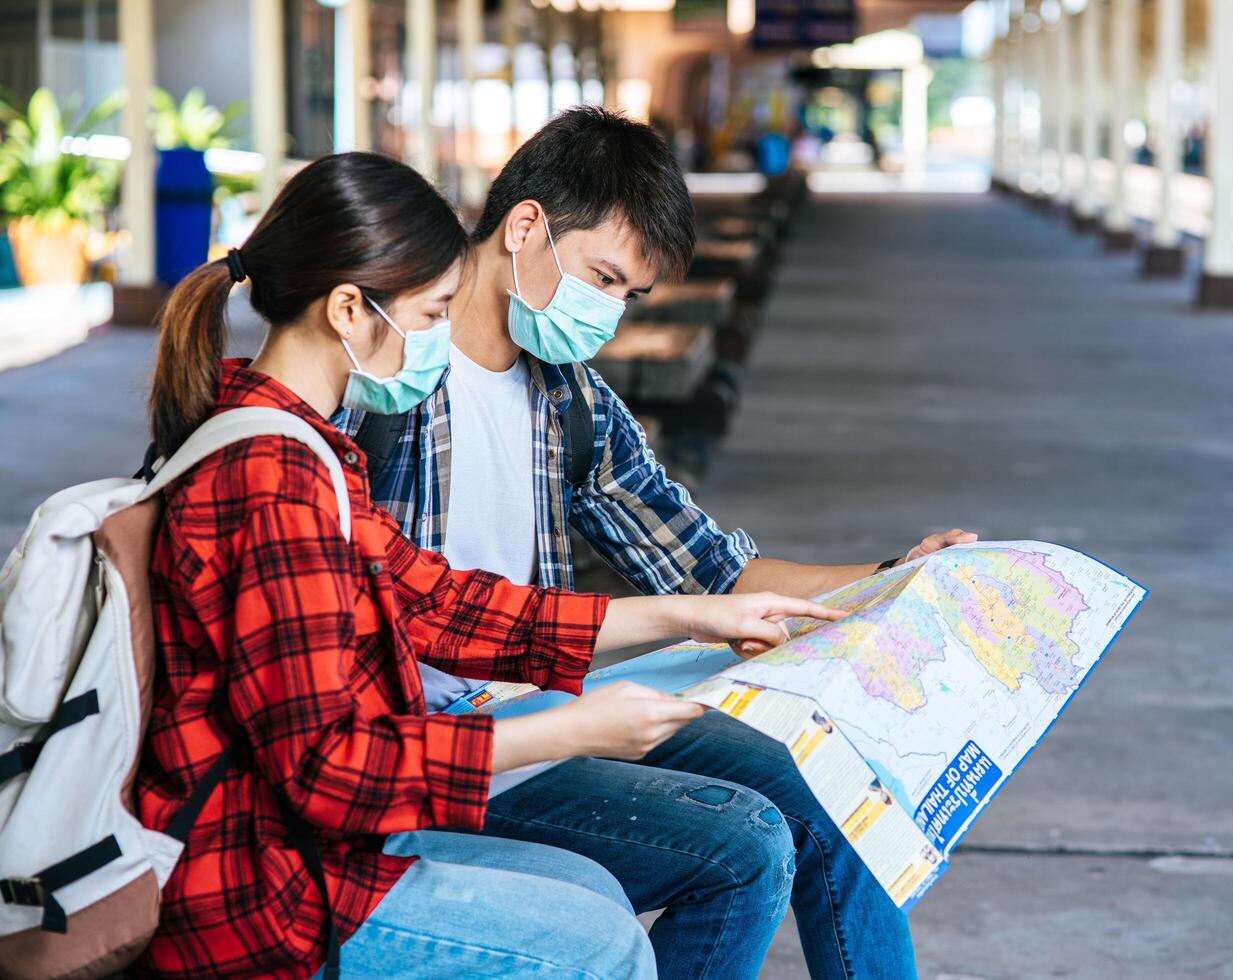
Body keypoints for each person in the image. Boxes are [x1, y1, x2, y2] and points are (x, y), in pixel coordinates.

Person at [137, 151, 842, 979]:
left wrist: (692, 614)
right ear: (348, 310)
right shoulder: (276, 479)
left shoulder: (309, 448)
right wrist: (568, 728)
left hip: (322, 846)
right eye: (435, 313)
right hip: (272, 890)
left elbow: (443, 604)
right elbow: (327, 770)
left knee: (594, 888)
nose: (447, 338)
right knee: (603, 940)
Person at [338, 106, 977, 980]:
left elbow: (715, 569)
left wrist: (891, 579)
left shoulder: (572, 401)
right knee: (743, 844)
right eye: (599, 278)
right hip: (427, 743)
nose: (606, 314)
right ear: (525, 226)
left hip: (533, 688)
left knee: (834, 784)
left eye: (625, 297)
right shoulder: (389, 375)